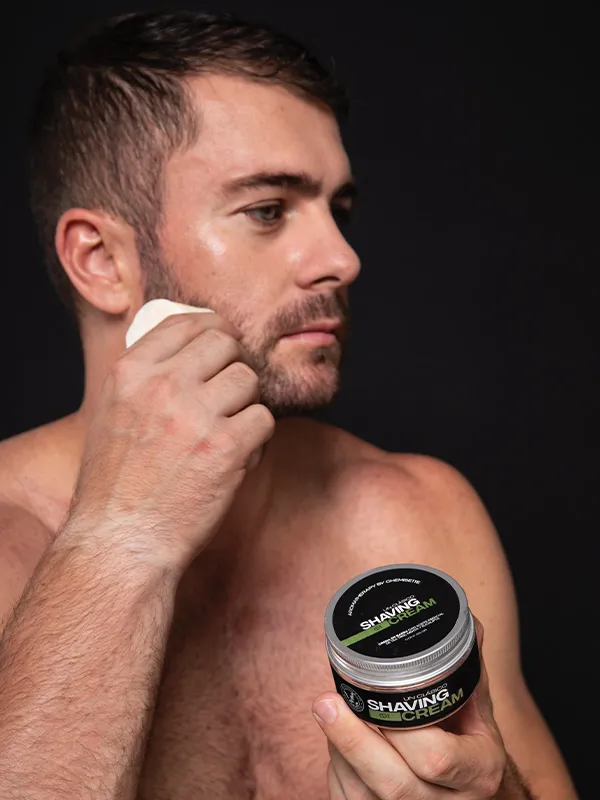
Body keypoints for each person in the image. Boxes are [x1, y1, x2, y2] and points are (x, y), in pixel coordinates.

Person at [0, 10, 576, 800]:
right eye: (268, 209)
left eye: (340, 209)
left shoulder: (414, 515)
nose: (342, 258)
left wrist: (490, 791)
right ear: (101, 260)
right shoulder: (10, 547)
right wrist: (122, 539)